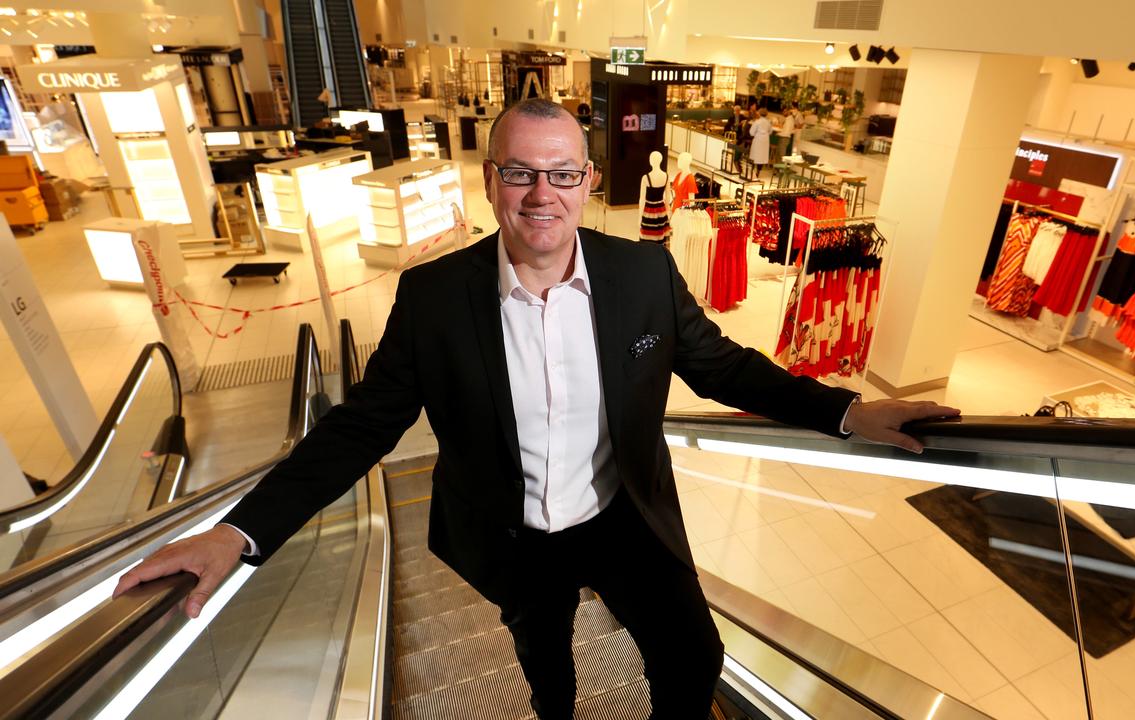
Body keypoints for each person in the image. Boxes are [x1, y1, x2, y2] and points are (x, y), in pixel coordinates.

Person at [114, 98, 958, 719]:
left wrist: (847, 411)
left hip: (625, 516)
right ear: (491, 182)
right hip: (513, 535)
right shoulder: (436, 297)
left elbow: (725, 369)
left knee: (694, 658)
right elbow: (363, 424)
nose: (540, 194)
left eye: (561, 173)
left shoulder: (641, 277)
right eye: (520, 172)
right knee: (544, 660)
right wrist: (239, 530)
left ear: (589, 181)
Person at [749, 107, 773, 179]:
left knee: (754, 155)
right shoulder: (768, 122)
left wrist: (757, 133)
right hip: (765, 140)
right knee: (762, 157)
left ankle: (751, 172)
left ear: (759, 113)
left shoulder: (757, 122)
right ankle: (758, 173)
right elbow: (770, 131)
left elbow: (751, 133)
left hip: (758, 139)